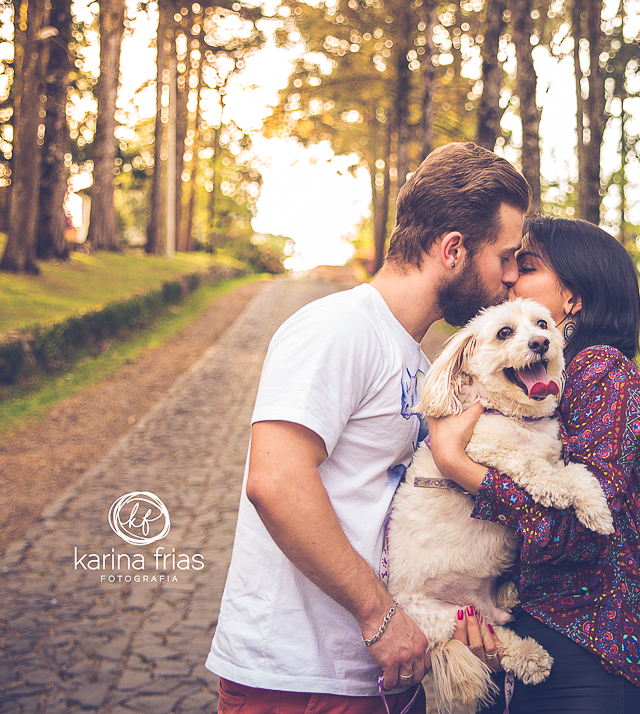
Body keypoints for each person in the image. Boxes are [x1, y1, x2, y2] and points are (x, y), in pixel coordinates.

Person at [205, 142, 531, 713]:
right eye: (504, 256)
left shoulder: (418, 360)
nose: (511, 278)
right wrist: (380, 617)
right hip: (296, 676)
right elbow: (275, 482)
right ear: (453, 249)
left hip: (374, 671)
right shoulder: (338, 328)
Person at [429, 216, 640, 713]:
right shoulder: (541, 380)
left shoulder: (603, 371)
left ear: (572, 299)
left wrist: (458, 466)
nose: (510, 277)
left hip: (592, 646)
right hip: (530, 634)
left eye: (527, 266)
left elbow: (583, 534)